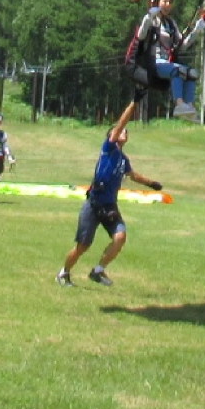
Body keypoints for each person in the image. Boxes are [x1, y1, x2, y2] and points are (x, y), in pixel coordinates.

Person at [56, 100, 160, 287]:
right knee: (83, 246)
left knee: (120, 237)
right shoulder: (109, 148)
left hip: (110, 205)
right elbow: (122, 122)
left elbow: (133, 175)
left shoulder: (123, 160)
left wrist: (151, 184)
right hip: (94, 204)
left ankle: (98, 271)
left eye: (125, 132)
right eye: (121, 131)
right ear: (113, 135)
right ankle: (63, 273)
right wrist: (134, 104)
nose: (124, 132)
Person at [129, 0, 205, 118]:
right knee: (177, 70)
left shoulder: (170, 24)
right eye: (164, 2)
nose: (168, 5)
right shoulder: (151, 20)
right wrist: (149, 17)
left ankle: (189, 107)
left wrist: (196, 31)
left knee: (192, 73)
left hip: (166, 63)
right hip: (153, 63)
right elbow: (141, 35)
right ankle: (179, 104)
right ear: (156, 3)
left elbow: (182, 45)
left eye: (169, 2)